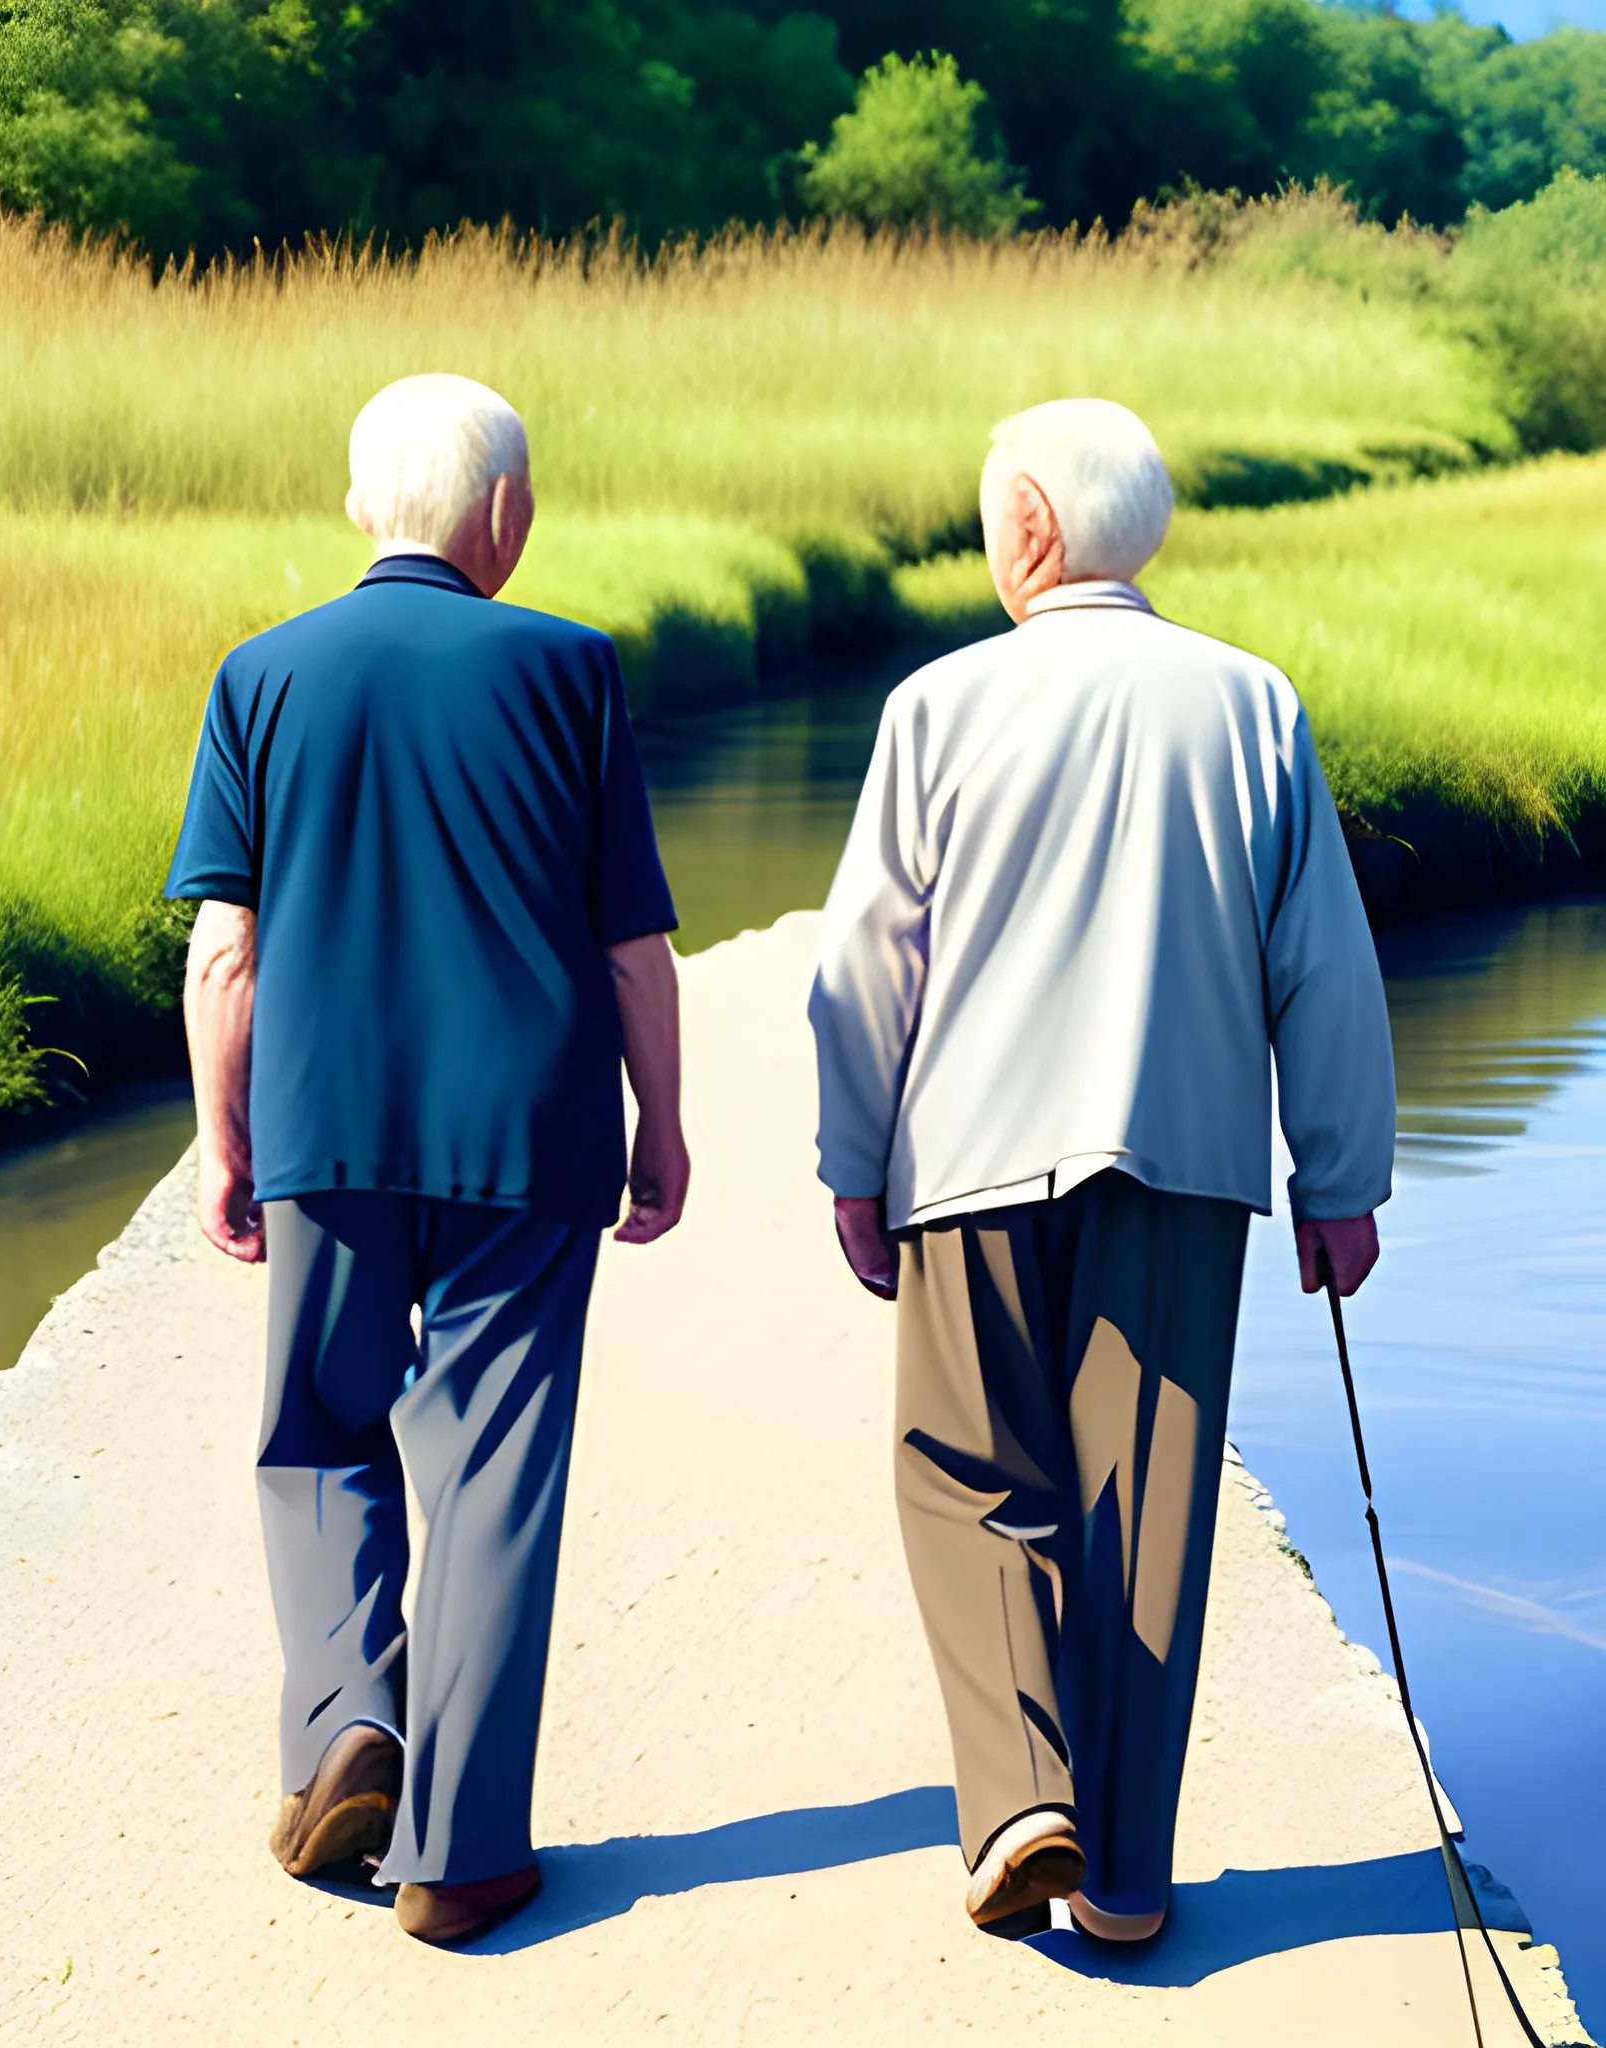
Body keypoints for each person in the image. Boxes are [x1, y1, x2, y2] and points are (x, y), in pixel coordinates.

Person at [808, 398, 1395, 1944]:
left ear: (1032, 530)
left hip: (967, 1166)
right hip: (1184, 1166)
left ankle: (1019, 1801)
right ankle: (1125, 1881)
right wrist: (1340, 1177)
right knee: (1148, 1509)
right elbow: (1322, 967)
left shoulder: (936, 707)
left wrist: (850, 1159)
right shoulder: (1253, 706)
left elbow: (865, 964)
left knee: (966, 1477)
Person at [165, 373, 688, 1948]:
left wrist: (221, 1138)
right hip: (528, 1138)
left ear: (357, 508)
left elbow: (224, 951)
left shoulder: (261, 675)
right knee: (493, 1476)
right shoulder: (568, 669)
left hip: (328, 1131)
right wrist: (663, 1121)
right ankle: (460, 1857)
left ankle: (343, 1722)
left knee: (320, 1431)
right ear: (507, 515)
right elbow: (633, 950)